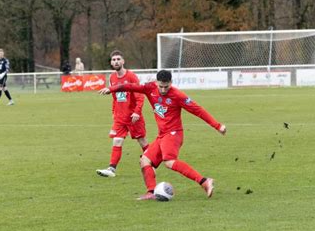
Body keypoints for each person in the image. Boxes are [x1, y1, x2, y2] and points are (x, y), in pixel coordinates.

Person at [99, 70, 226, 200]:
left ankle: (205, 182)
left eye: (166, 86)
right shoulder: (150, 88)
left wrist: (217, 126)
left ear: (171, 82)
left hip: (173, 134)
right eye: (161, 86)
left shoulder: (178, 95)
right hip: (162, 135)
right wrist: (112, 89)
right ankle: (151, 192)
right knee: (144, 160)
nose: (163, 89)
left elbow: (198, 111)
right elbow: (130, 86)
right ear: (156, 82)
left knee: (169, 162)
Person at [96, 50, 149, 177]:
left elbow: (140, 96)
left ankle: (152, 160)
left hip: (133, 117)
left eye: (118, 59)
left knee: (142, 141)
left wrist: (137, 112)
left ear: (123, 61)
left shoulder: (131, 77)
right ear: (111, 62)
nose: (116, 62)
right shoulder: (112, 77)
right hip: (120, 117)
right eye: (113, 60)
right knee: (117, 141)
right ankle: (111, 169)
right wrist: (114, 112)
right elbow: (115, 98)